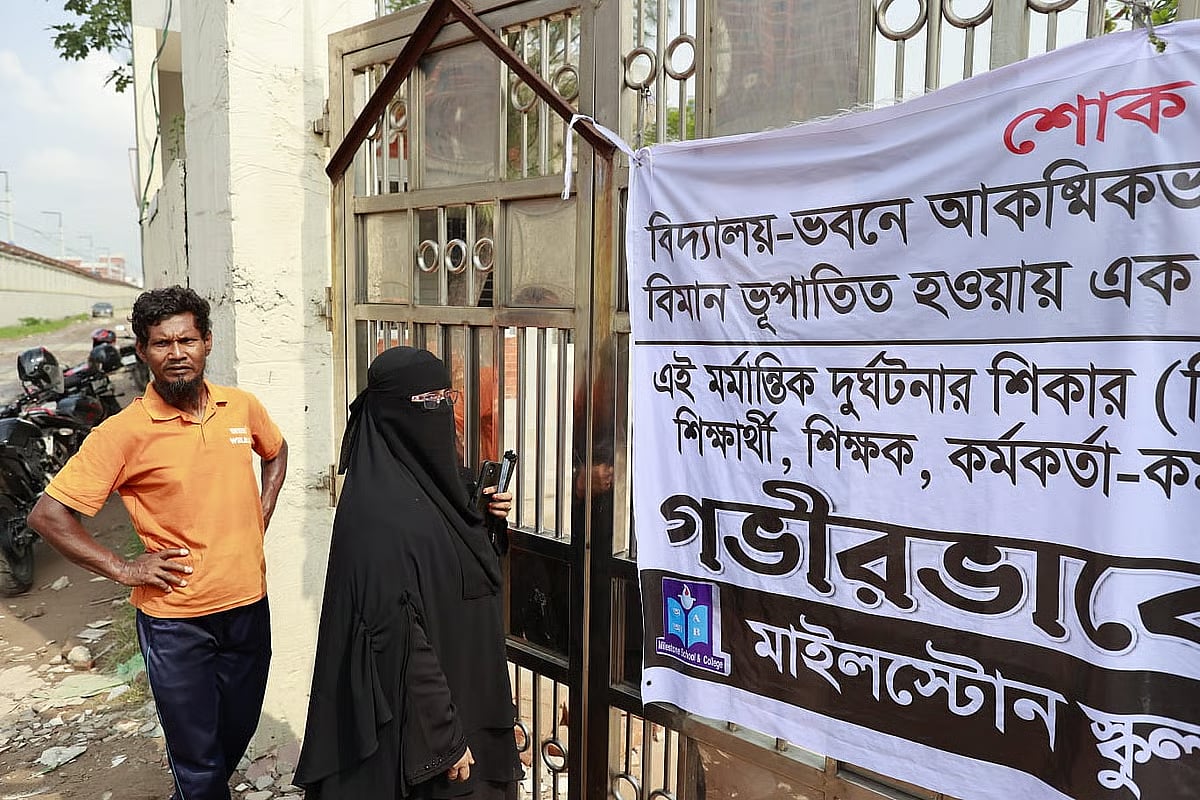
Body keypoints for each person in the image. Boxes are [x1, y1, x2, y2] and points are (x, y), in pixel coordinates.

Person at [27, 286, 288, 800]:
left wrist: (262, 510)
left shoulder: (241, 407)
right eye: (161, 343)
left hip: (248, 607)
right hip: (176, 622)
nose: (176, 354)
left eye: (186, 340)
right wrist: (125, 569)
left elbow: (276, 453)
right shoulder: (121, 433)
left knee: (234, 733)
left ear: (207, 342)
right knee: (197, 758)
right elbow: (48, 515)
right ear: (143, 351)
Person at [295, 346, 522, 800]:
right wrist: (445, 738)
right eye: (427, 401)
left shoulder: (440, 485)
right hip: (423, 732)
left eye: (447, 397)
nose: (441, 410)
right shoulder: (375, 516)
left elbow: (463, 579)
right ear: (392, 412)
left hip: (465, 694)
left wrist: (484, 520)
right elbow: (398, 640)